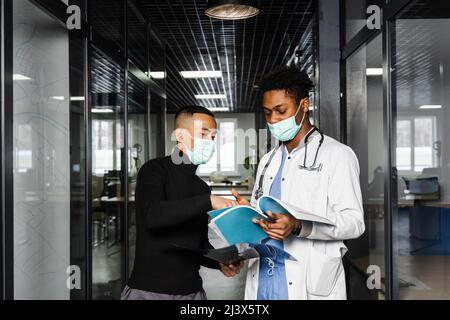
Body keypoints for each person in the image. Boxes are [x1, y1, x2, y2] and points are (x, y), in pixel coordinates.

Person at [233, 66, 365, 300]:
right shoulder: (268, 161)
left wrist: (298, 226)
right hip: (264, 278)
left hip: (309, 281)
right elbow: (260, 220)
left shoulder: (337, 155)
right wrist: (244, 220)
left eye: (281, 111)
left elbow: (354, 223)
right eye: (267, 113)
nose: (273, 120)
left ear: (304, 105)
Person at [122, 106, 243, 300]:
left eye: (213, 137)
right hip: (149, 292)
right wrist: (208, 201)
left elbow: (199, 244)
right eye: (203, 133)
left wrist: (220, 262)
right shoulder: (153, 170)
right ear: (181, 136)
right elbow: (154, 216)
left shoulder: (202, 187)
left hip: (191, 293)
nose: (210, 142)